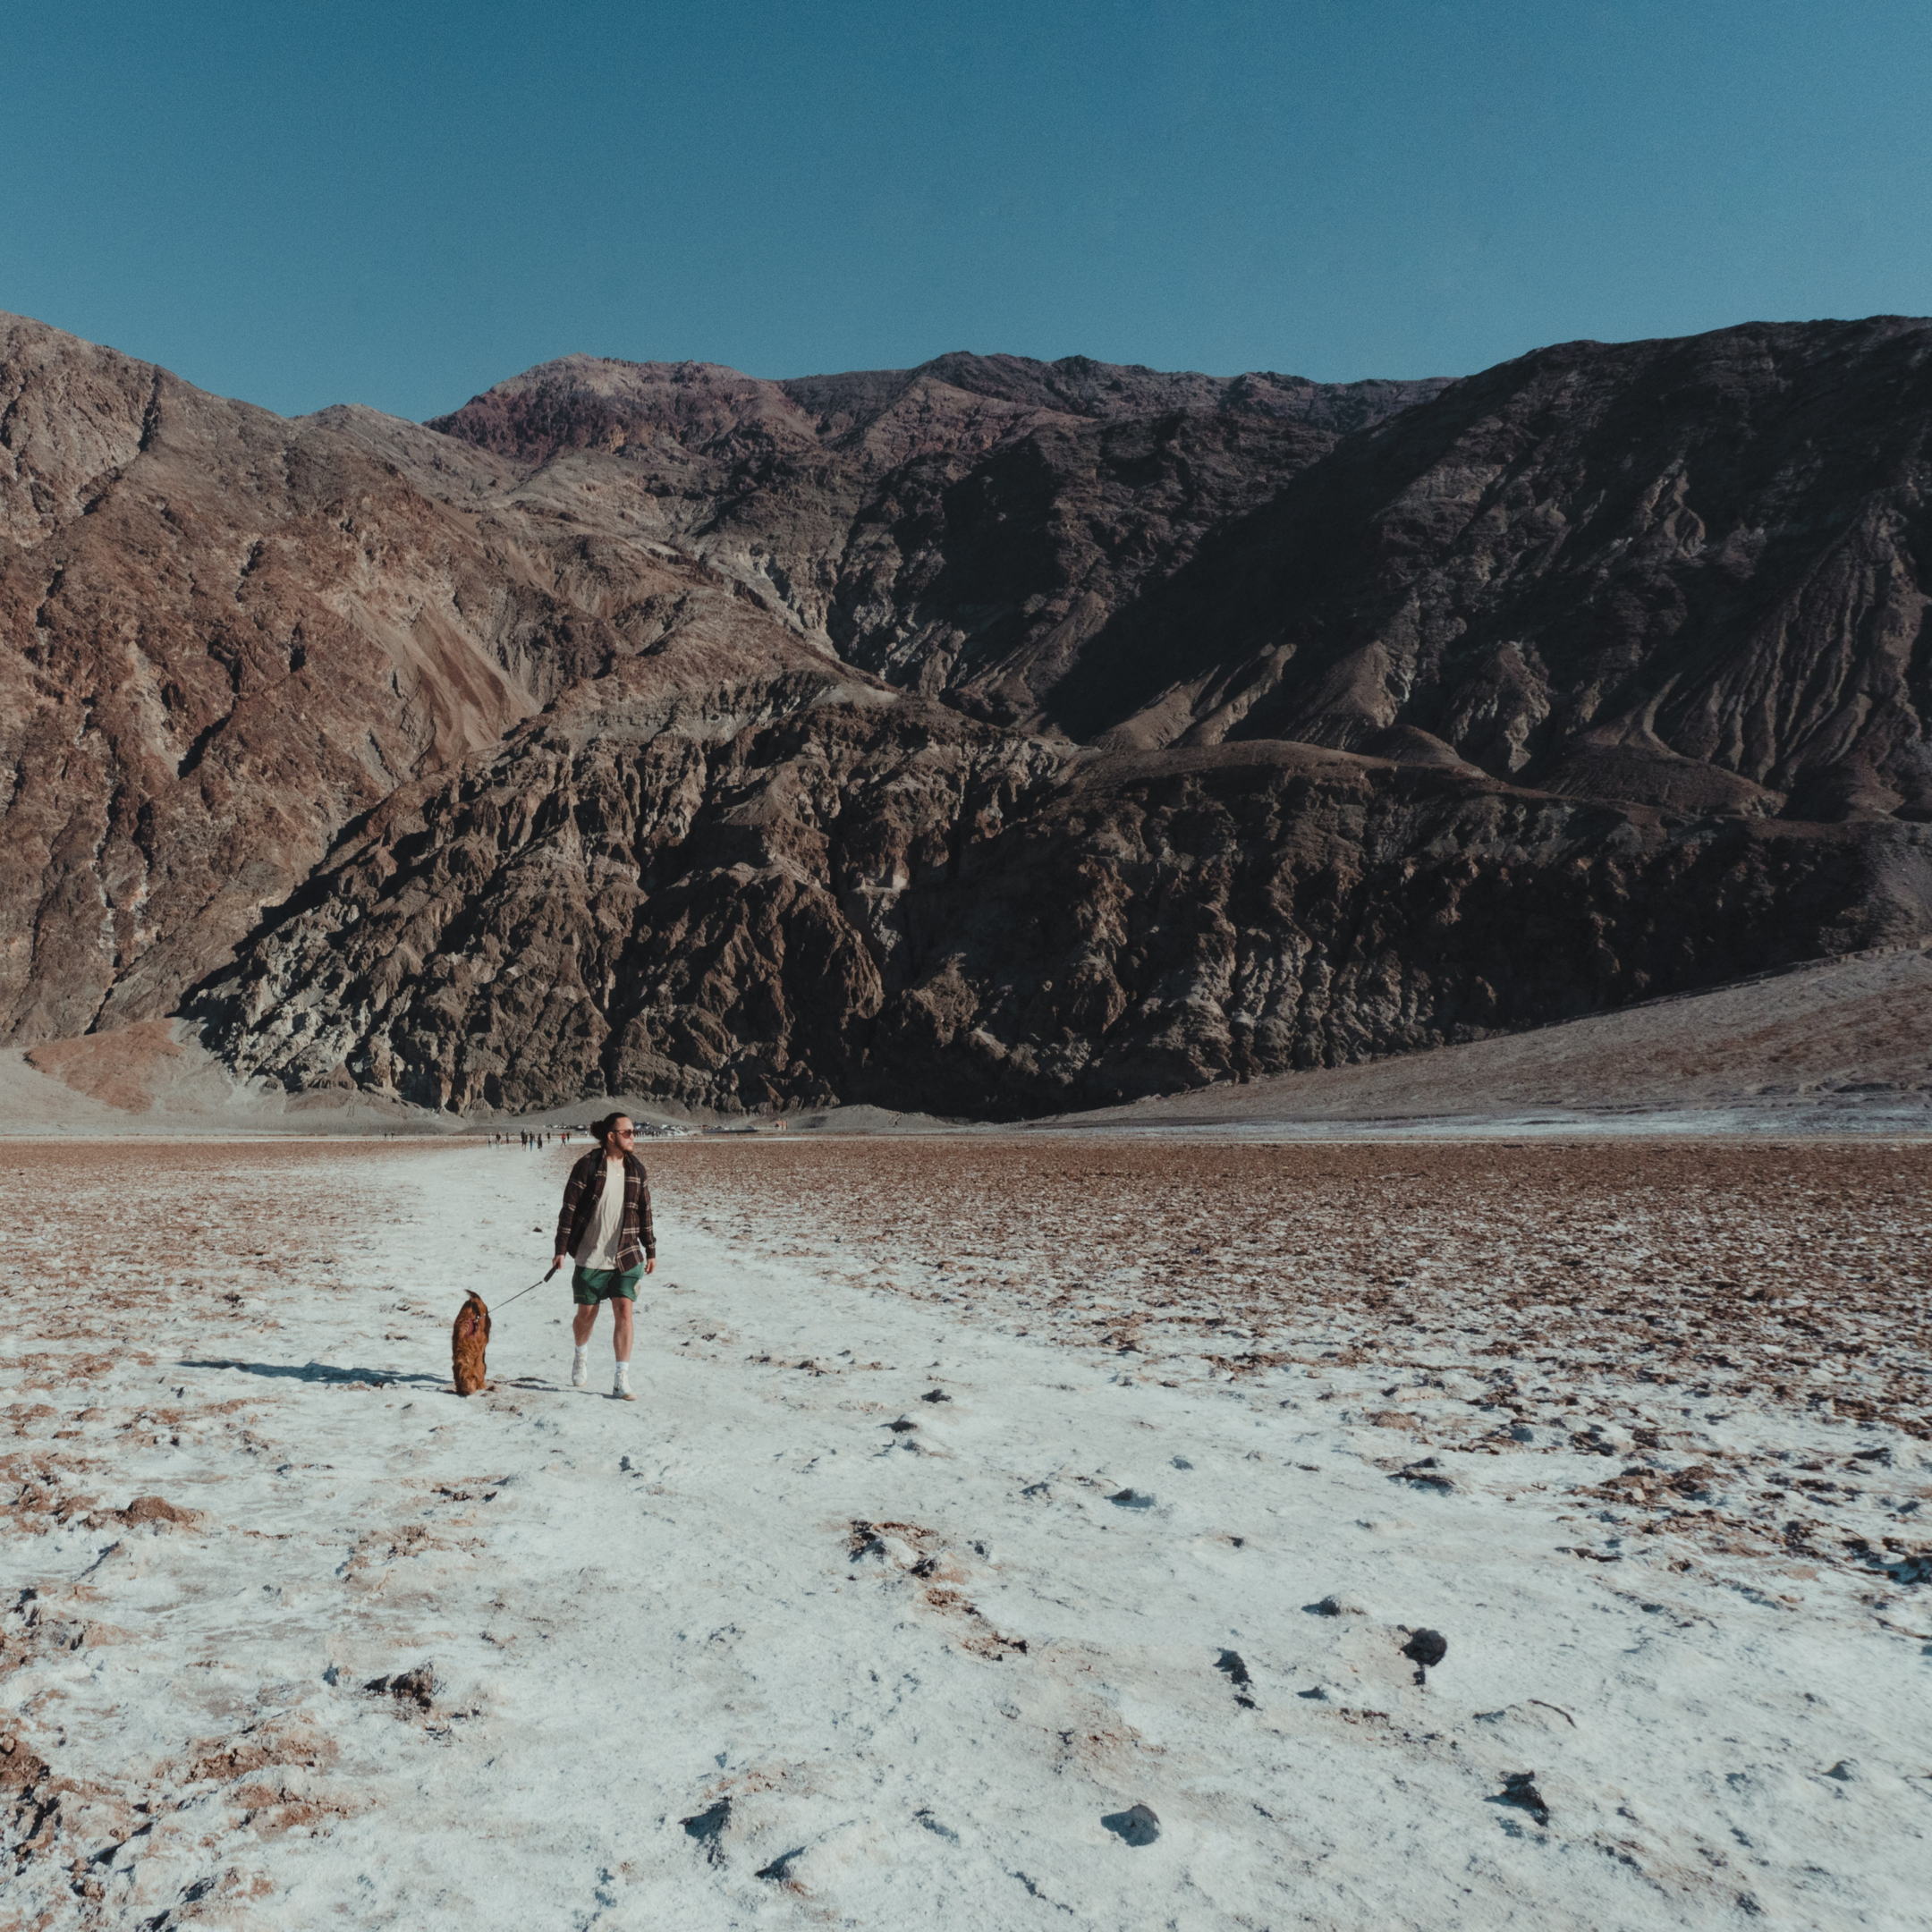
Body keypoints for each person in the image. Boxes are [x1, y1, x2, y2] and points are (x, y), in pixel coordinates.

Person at [553, 1112, 656, 1400]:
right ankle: (580, 1354)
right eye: (627, 1133)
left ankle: (621, 1378)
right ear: (611, 1136)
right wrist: (561, 1249)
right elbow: (569, 1210)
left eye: (634, 1132)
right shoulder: (587, 1166)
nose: (633, 1137)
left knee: (624, 1312)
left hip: (626, 1255)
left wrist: (651, 1249)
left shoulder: (637, 1169)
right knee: (587, 1315)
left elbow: (645, 1211)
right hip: (590, 1255)